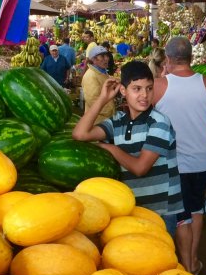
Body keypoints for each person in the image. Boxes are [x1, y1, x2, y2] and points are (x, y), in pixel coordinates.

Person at [72, 61, 183, 234]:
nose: (144, 95)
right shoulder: (118, 121)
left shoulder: (159, 122)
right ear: (123, 91)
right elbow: (80, 134)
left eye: (149, 88)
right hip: (134, 207)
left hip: (161, 210)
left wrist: (112, 149)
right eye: (137, 88)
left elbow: (140, 168)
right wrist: (102, 99)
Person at [153, 36, 206, 275]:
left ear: (167, 59)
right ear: (191, 58)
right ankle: (194, 258)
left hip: (171, 160)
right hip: (203, 158)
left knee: (180, 212)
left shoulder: (158, 85)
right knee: (195, 208)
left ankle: (185, 264)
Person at [82, 45, 116, 125]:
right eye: (102, 56)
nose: (106, 59)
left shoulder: (102, 71)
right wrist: (110, 111)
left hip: (106, 119)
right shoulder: (90, 76)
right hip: (97, 121)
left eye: (106, 56)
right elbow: (93, 101)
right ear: (93, 60)